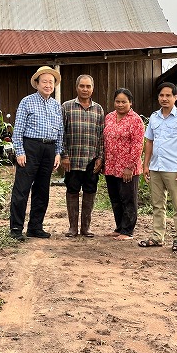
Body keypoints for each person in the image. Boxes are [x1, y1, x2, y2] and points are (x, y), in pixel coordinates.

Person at [9, 66, 64, 241]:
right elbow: (18, 130)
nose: (48, 85)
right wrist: (20, 151)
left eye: (51, 82)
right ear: (37, 84)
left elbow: (60, 132)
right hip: (30, 148)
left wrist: (57, 152)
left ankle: (35, 227)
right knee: (22, 189)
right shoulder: (27, 102)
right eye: (45, 82)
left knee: (42, 190)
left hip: (49, 150)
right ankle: (16, 228)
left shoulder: (56, 106)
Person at [139, 82, 177, 252]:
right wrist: (145, 165)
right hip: (156, 167)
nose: (164, 99)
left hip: (174, 169)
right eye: (162, 95)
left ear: (175, 97)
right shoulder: (154, 117)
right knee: (158, 205)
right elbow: (149, 142)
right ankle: (157, 237)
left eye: (168, 96)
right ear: (158, 97)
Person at [61, 75, 105, 237]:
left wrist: (100, 157)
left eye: (88, 86)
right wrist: (64, 155)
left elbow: (102, 136)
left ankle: (86, 227)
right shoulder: (67, 107)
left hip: (91, 160)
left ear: (92, 88)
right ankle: (73, 227)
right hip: (72, 160)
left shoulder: (98, 109)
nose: (85, 89)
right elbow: (61, 133)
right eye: (82, 86)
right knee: (72, 190)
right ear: (76, 87)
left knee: (90, 190)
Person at [102, 88, 145, 241]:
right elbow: (105, 140)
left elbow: (138, 145)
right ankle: (119, 227)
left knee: (128, 198)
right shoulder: (109, 117)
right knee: (115, 198)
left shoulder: (135, 120)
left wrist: (129, 167)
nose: (120, 105)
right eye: (117, 101)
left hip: (128, 168)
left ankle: (127, 231)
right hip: (111, 166)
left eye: (123, 102)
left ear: (130, 103)